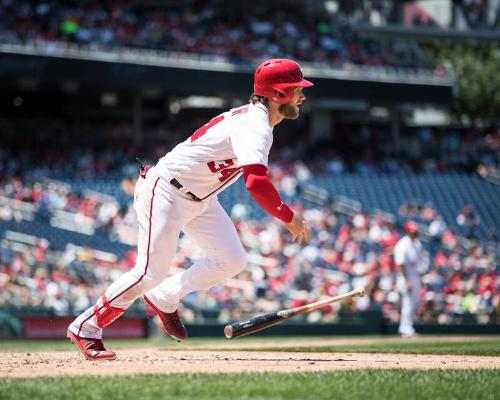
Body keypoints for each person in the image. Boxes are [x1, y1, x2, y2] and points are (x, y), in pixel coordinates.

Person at [67, 59, 313, 360]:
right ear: (278, 95)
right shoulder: (256, 126)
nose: (302, 95)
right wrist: (288, 216)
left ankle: (165, 297)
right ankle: (86, 327)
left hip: (201, 198)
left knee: (232, 259)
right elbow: (256, 183)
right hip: (168, 191)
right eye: (297, 89)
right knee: (148, 273)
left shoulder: (257, 121)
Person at [394, 221, 423, 338]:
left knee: (414, 303)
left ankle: (407, 327)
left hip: (415, 276)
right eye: (412, 232)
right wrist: (406, 281)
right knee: (408, 303)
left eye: (415, 232)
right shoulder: (402, 244)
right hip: (406, 278)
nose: (415, 234)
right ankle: (405, 329)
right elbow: (399, 265)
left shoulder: (417, 244)